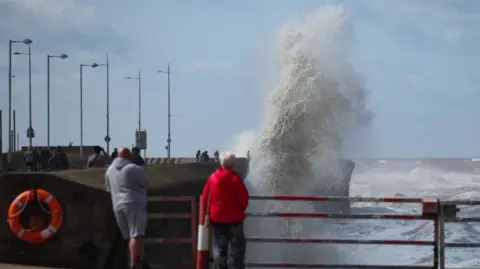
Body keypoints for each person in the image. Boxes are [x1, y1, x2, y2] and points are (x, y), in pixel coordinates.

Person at [201, 152, 249, 269]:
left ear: (221, 163)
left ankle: (220, 267)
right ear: (232, 164)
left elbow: (205, 196)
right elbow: (244, 199)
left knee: (219, 248)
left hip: (217, 219)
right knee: (237, 249)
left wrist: (205, 215)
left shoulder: (212, 178)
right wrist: (241, 210)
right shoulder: (235, 178)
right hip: (235, 219)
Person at [105, 147, 151, 269]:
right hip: (134, 203)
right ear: (128, 156)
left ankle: (142, 261)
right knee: (136, 235)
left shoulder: (109, 171)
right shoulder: (133, 168)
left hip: (117, 205)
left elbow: (108, 188)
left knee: (130, 237)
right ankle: (134, 264)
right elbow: (147, 183)